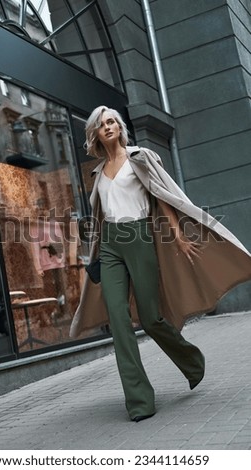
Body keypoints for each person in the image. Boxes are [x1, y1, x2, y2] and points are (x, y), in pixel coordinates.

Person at [70, 105, 251, 422]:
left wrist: (178, 235)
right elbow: (99, 219)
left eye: (112, 121)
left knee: (151, 318)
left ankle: (191, 360)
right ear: (95, 134)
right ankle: (139, 400)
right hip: (111, 244)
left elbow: (162, 196)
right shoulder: (97, 173)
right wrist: (92, 251)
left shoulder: (139, 157)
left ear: (120, 128)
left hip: (140, 237)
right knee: (118, 320)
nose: (108, 126)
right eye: (101, 124)